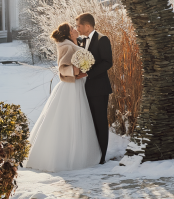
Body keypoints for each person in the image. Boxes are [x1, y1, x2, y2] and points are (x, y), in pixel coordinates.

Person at [24, 22, 101, 172]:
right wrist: (77, 70)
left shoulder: (74, 43)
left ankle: (81, 155)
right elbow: (62, 68)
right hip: (70, 87)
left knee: (78, 118)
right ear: (68, 33)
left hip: (77, 85)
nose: (75, 29)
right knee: (68, 118)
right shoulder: (65, 45)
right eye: (73, 29)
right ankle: (61, 158)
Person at [74, 12, 114, 164]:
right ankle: (93, 154)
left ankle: (102, 156)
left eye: (79, 25)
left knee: (100, 122)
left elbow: (107, 62)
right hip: (86, 89)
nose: (77, 28)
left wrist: (87, 73)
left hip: (99, 89)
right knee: (90, 122)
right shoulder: (81, 41)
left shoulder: (102, 39)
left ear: (87, 26)